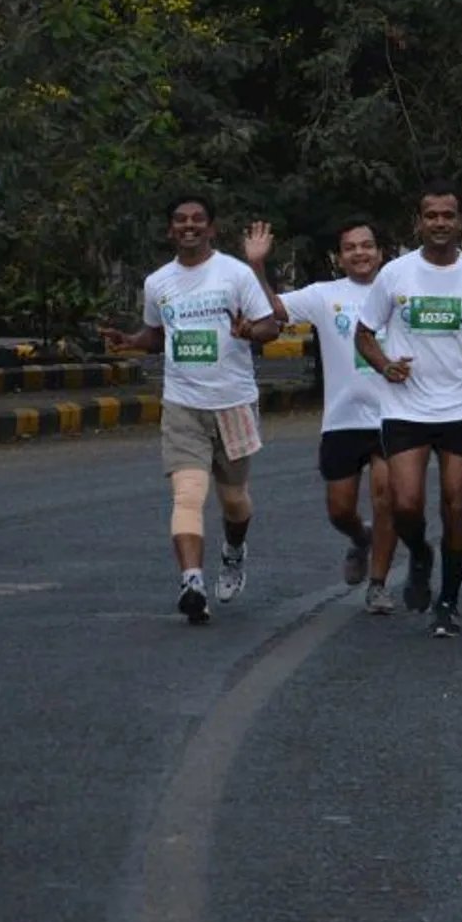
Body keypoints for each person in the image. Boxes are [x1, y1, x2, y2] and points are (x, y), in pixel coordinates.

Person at [99, 197, 281, 624]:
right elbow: (157, 334)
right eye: (180, 220)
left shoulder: (235, 274)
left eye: (197, 220)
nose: (189, 226)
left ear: (211, 228)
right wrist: (130, 341)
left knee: (234, 499)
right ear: (170, 230)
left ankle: (233, 551)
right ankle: (192, 582)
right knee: (187, 494)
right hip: (183, 405)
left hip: (234, 402)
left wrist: (250, 329)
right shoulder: (158, 282)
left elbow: (271, 326)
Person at [354, 179, 462, 639]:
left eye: (448, 215)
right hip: (406, 407)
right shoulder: (395, 274)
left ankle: (449, 601)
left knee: (456, 504)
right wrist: (385, 365)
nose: (440, 223)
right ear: (419, 222)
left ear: (460, 222)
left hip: (461, 404)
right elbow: (364, 333)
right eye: (432, 216)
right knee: (404, 505)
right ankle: (420, 554)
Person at [245, 216, 399, 614]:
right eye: (351, 247)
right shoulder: (324, 294)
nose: (360, 253)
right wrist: (258, 265)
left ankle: (379, 585)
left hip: (394, 415)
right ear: (339, 257)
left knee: (387, 500)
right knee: (340, 509)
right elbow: (275, 310)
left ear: (380, 252)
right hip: (343, 419)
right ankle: (360, 539)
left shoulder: (402, 292)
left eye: (367, 245)